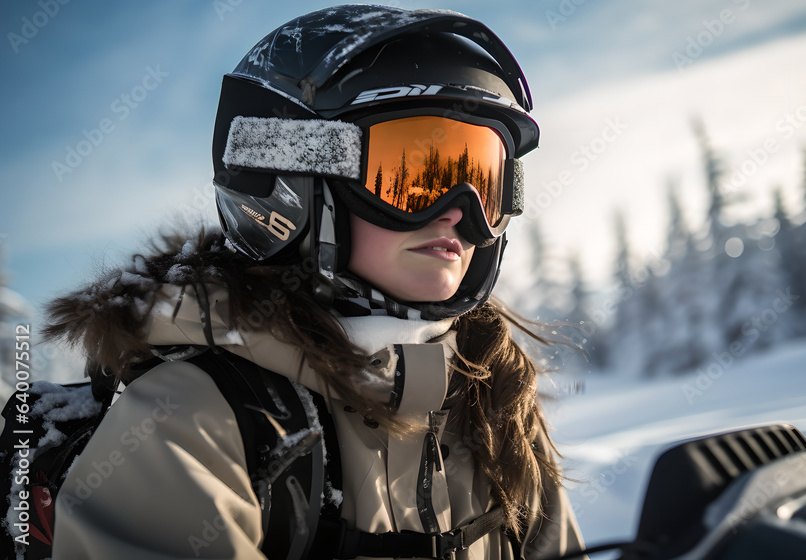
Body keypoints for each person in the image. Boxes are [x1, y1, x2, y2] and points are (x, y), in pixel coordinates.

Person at [43, 5, 585, 559]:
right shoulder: (191, 420)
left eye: (481, 181)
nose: (457, 213)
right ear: (291, 180)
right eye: (414, 178)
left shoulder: (494, 404)